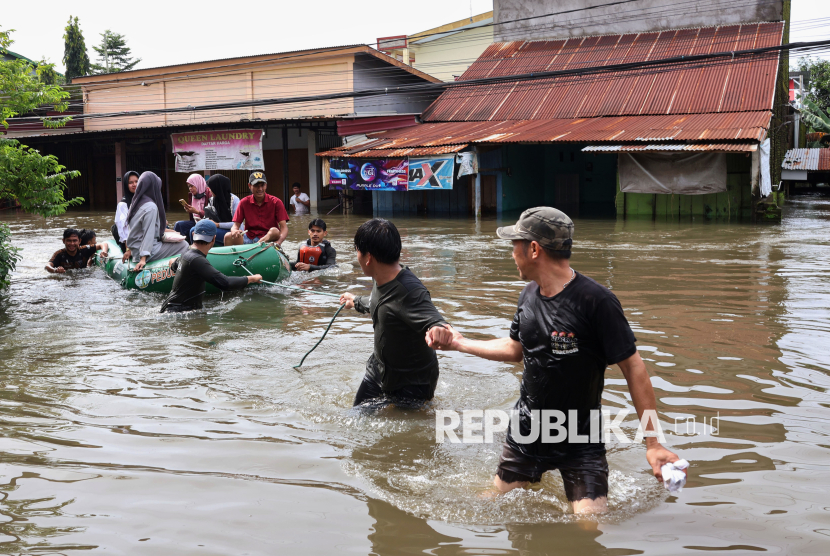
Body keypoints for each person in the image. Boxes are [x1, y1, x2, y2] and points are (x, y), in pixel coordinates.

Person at [425, 207, 683, 514]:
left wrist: (653, 444)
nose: (512, 253)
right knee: (493, 507)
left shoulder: (596, 301)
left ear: (533, 249)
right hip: (527, 431)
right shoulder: (528, 296)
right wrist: (459, 343)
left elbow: (634, 368)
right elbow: (515, 349)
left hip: (580, 437)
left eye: (515, 244)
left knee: (590, 527)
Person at [339, 219, 448, 407]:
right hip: (378, 371)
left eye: (357, 250)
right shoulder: (380, 276)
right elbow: (378, 302)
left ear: (368, 257)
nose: (356, 256)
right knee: (357, 417)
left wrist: (439, 329)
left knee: (409, 435)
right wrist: (355, 301)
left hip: (412, 383)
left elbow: (435, 320)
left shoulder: (410, 290)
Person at [160, 220, 261, 313]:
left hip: (171, 308)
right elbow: (225, 283)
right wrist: (252, 278)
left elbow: (173, 264)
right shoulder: (198, 260)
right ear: (214, 238)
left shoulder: (186, 254)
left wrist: (173, 261)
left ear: (193, 234)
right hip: (180, 312)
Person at [122, 171, 189, 272]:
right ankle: (175, 270)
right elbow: (148, 233)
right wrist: (143, 258)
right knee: (184, 245)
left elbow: (135, 230)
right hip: (148, 252)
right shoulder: (151, 207)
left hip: (135, 250)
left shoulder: (134, 203)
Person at [223, 171, 289, 246]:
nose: (260, 189)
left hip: (269, 239)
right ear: (249, 186)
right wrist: (234, 230)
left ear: (266, 185)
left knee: (274, 231)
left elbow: (284, 227)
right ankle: (253, 247)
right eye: (256, 186)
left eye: (262, 185)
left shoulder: (276, 202)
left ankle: (258, 244)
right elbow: (235, 225)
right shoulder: (244, 202)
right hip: (248, 238)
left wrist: (279, 242)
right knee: (228, 236)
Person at [203, 174, 241, 247]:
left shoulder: (234, 200)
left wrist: (217, 225)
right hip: (216, 229)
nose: (210, 190)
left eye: (211, 188)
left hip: (232, 232)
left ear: (217, 188)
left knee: (204, 232)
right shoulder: (212, 200)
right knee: (194, 230)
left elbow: (238, 224)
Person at [174, 174, 211, 244]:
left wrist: (197, 212)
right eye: (189, 187)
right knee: (178, 224)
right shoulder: (192, 195)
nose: (190, 188)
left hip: (207, 222)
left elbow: (211, 214)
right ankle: (178, 247)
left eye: (192, 186)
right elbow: (194, 215)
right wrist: (189, 210)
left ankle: (192, 249)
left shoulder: (209, 194)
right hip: (196, 221)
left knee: (192, 230)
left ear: (198, 184)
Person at [113, 170, 139, 250]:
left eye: (136, 181)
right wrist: (128, 248)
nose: (134, 184)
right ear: (126, 185)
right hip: (130, 241)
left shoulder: (144, 199)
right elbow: (124, 227)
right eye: (130, 182)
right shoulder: (123, 204)